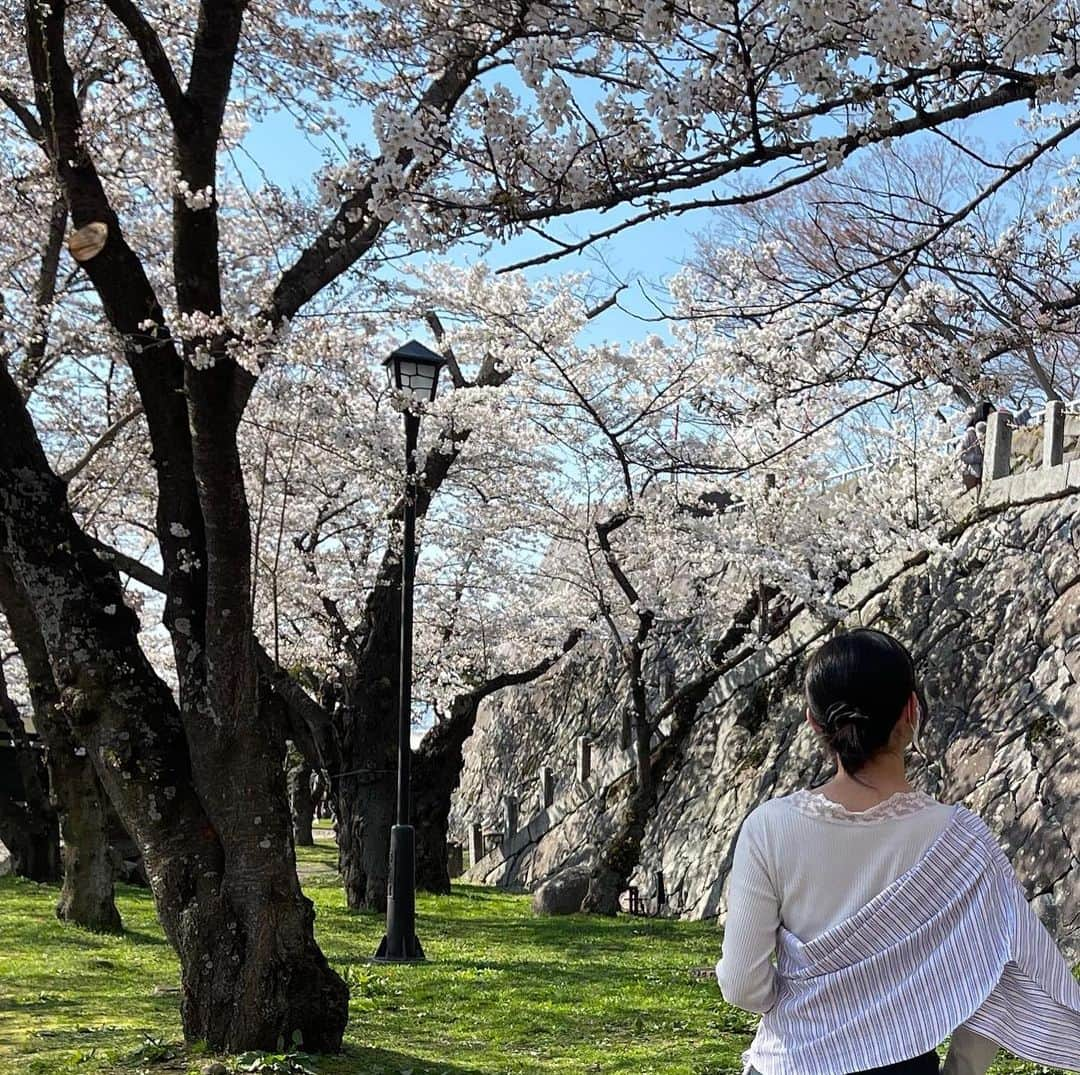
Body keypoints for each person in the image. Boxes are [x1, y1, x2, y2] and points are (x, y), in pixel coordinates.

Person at [716, 627, 1080, 1075]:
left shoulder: (768, 828)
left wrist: (804, 1004)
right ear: (912, 710)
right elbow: (997, 974)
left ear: (814, 722)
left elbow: (742, 986)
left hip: (788, 1062)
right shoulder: (961, 841)